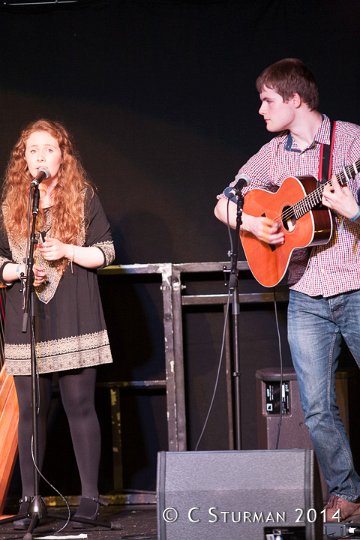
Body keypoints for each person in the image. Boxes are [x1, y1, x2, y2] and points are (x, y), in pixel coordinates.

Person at [214, 58, 360, 522]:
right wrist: (254, 222)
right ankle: (348, 493)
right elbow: (223, 203)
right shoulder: (273, 154)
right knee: (316, 408)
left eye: (267, 100)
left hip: (355, 288)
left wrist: (354, 213)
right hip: (306, 295)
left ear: (295, 100)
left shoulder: (353, 143)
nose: (260, 109)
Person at [0, 119, 115, 529]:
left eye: (48, 149)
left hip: (75, 312)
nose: (40, 157)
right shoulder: (12, 204)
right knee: (31, 410)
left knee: (79, 405)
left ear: (62, 155)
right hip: (28, 319)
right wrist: (19, 270)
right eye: (32, 151)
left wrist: (66, 248)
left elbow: (105, 252)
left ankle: (90, 499)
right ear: (23, 160)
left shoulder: (83, 199)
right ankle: (32, 500)